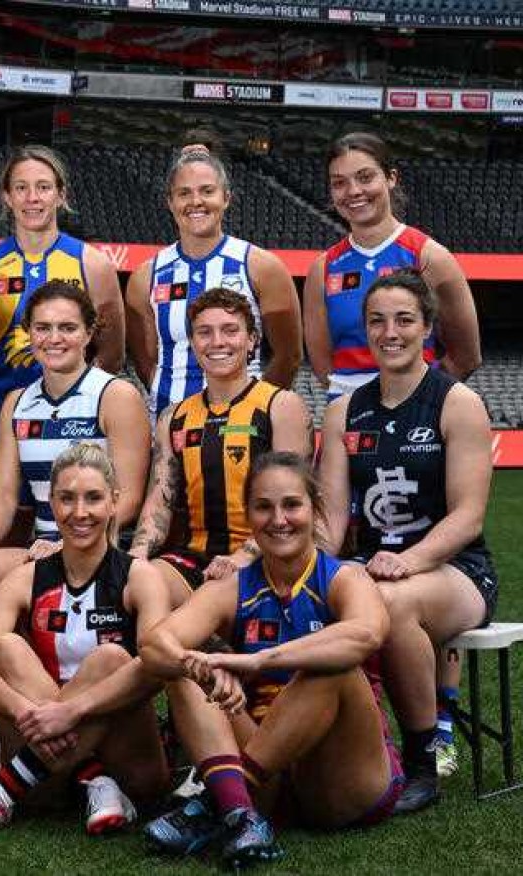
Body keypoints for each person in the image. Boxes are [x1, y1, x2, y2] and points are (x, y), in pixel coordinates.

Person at [140, 452, 398, 869]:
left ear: (314, 510)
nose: (279, 519)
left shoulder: (345, 577)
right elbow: (154, 644)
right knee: (181, 671)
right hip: (270, 784)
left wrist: (258, 662)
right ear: (250, 516)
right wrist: (203, 669)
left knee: (331, 661)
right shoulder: (234, 586)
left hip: (340, 779)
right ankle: (241, 813)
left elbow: (368, 633)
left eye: (291, 505)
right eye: (264, 506)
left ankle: (217, 802)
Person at [0, 281, 149, 783]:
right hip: (38, 546)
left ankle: (78, 734)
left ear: (87, 335)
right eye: (42, 328)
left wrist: (67, 542)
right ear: (27, 335)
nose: (54, 338)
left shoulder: (115, 394)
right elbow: (2, 492)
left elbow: (129, 496)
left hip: (100, 548)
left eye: (66, 327)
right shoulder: (19, 400)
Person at [317, 270, 495, 813]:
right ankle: (338, 751)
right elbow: (328, 521)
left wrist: (409, 561)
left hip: (456, 571)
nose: (389, 332)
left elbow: (467, 517)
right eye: (377, 321)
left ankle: (422, 765)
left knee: (390, 605)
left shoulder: (457, 402)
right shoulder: (343, 410)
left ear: (426, 328)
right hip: (370, 567)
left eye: (403, 320)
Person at [0, 444, 171, 837]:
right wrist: (26, 711)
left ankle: (2, 789)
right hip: (42, 759)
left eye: (93, 498)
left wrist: (73, 710)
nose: (80, 512)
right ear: (51, 503)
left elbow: (157, 669)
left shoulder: (139, 576)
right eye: (67, 498)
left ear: (114, 502)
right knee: (3, 648)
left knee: (110, 658)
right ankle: (91, 777)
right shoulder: (25, 578)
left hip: (131, 769)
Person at [0, 145, 124, 507]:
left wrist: (71, 399)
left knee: (77, 521)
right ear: (6, 196)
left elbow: (112, 353)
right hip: (6, 416)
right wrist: (17, 397)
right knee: (3, 527)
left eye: (43, 187)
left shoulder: (92, 264)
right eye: (20, 188)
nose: (32, 198)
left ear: (61, 194)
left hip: (77, 420)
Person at [129, 288, 313, 606]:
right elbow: (159, 500)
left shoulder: (281, 405)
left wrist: (243, 556)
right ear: (193, 343)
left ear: (253, 339)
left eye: (230, 330)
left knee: (210, 600)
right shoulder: (174, 417)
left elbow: (294, 502)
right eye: (205, 332)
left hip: (266, 555)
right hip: (194, 557)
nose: (217, 342)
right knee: (140, 584)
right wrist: (136, 556)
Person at [125, 147, 302, 419]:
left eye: (207, 191)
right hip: (169, 426)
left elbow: (288, 356)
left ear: (226, 198)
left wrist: (254, 411)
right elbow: (145, 360)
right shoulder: (145, 276)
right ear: (170, 202)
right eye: (184, 193)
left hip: (242, 427)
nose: (196, 201)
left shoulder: (262, 267)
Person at [303, 132, 480, 400]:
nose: (353, 191)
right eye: (339, 183)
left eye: (365, 177)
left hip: (417, 422)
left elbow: (466, 357)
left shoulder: (430, 257)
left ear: (391, 178)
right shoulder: (323, 268)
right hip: (348, 420)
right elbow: (322, 366)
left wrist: (418, 402)